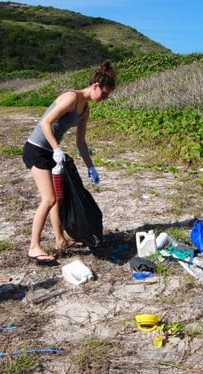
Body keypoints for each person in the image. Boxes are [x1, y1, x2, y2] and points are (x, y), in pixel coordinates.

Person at [22, 59, 116, 264]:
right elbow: (45, 123)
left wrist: (91, 167)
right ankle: (34, 247)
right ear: (95, 86)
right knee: (49, 199)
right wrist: (57, 149)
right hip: (36, 150)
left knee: (59, 198)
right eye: (104, 94)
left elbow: (81, 142)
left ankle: (60, 240)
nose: (104, 99)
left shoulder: (85, 110)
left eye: (107, 96)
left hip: (50, 152)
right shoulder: (71, 97)